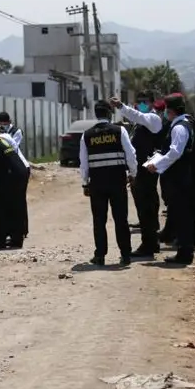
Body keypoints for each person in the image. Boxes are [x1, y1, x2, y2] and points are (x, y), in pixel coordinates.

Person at [80, 100, 139, 266]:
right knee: (121, 219)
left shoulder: (87, 135)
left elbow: (83, 162)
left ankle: (100, 255)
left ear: (95, 114)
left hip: (97, 184)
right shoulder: (119, 131)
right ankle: (126, 255)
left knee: (99, 220)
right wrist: (133, 174)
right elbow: (131, 155)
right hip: (117, 181)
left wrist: (85, 183)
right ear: (109, 113)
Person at [145, 94, 195, 265]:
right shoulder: (186, 123)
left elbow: (175, 152)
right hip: (183, 178)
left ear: (171, 110)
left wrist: (157, 165)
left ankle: (184, 253)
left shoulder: (179, 128)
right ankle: (183, 248)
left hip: (179, 179)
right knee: (181, 214)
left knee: (182, 215)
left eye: (167, 110)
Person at [112, 94, 165, 257]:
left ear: (152, 103)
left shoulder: (152, 119)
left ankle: (149, 245)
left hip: (146, 170)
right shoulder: (142, 123)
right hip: (142, 170)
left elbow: (138, 115)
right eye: (139, 102)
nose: (140, 105)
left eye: (144, 102)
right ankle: (150, 242)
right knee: (145, 206)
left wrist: (121, 106)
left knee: (146, 207)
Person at [0, 125, 31, 240]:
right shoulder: (5, 137)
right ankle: (22, 230)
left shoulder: (1, 138)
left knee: (17, 201)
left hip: (18, 169)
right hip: (22, 168)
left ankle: (18, 232)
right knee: (20, 201)